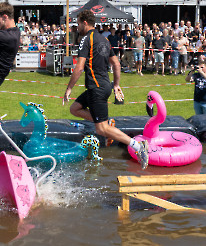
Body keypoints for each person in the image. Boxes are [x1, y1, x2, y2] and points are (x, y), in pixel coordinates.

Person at [62, 10, 148, 169]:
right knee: (75, 108)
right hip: (103, 86)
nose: (78, 26)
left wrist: (69, 89)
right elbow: (116, 63)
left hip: (97, 88)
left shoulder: (86, 39)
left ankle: (138, 146)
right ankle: (106, 121)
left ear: (85, 23)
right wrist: (115, 85)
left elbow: (79, 67)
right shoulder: (104, 39)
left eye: (78, 23)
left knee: (101, 129)